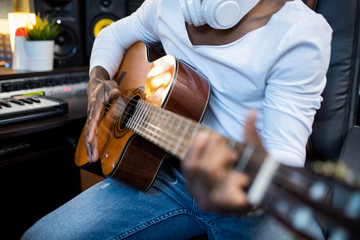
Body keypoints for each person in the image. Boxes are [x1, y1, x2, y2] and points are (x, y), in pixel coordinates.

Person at [21, 0, 332, 239]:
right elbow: (112, 35)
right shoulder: (167, 6)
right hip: (165, 171)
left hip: (250, 193)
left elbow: (284, 159)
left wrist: (246, 196)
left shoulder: (299, 32)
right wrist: (97, 80)